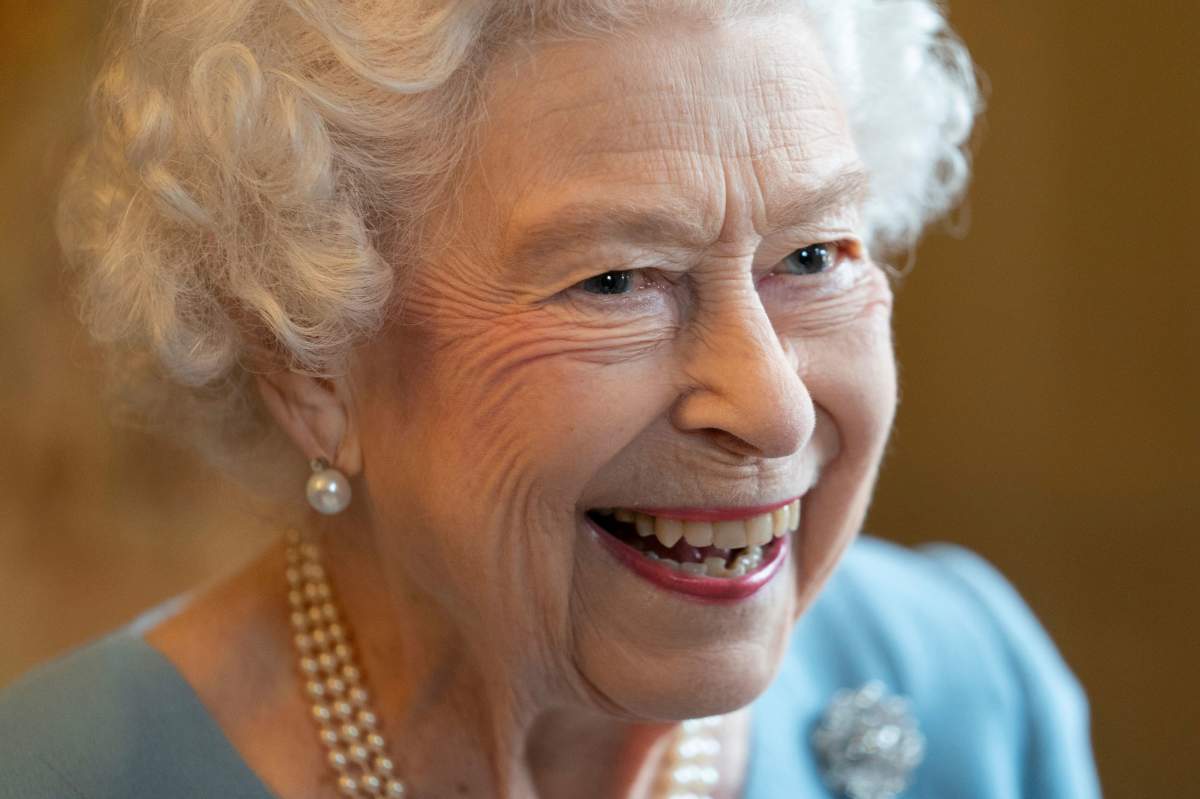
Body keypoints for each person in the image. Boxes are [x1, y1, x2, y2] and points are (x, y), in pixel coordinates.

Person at [0, 1, 1101, 797]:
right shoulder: (62, 772)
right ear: (311, 362)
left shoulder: (967, 684)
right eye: (617, 279)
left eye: (813, 256)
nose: (774, 409)